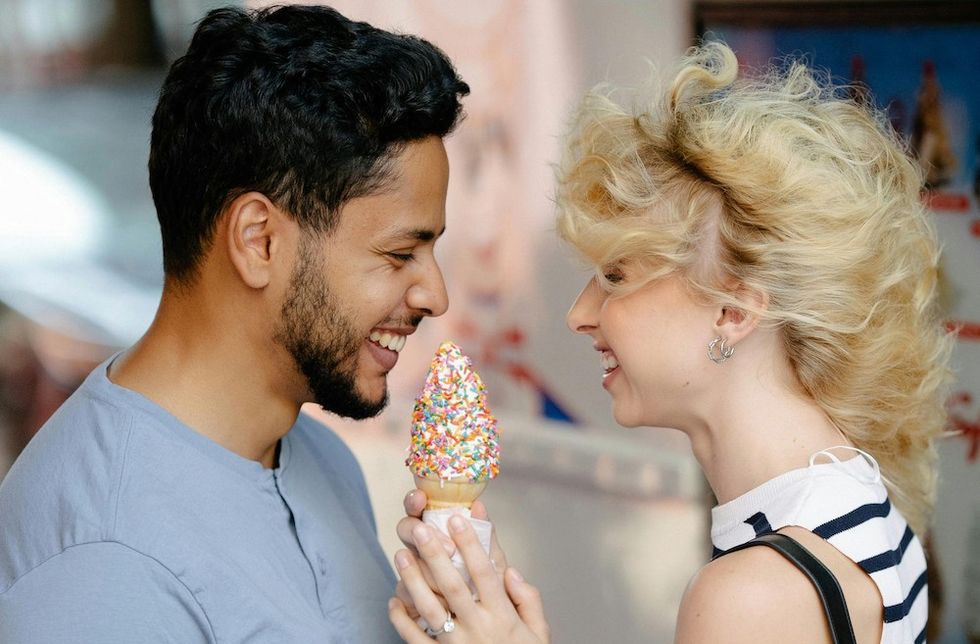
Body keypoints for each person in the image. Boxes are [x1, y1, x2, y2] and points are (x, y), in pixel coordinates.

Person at [388, 41, 951, 643]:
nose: (580, 314)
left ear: (735, 310)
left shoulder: (754, 594)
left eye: (615, 276)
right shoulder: (863, 502)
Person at [0, 5, 468, 642]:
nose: (434, 295)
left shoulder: (319, 458)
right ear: (259, 240)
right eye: (398, 253)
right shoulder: (106, 564)